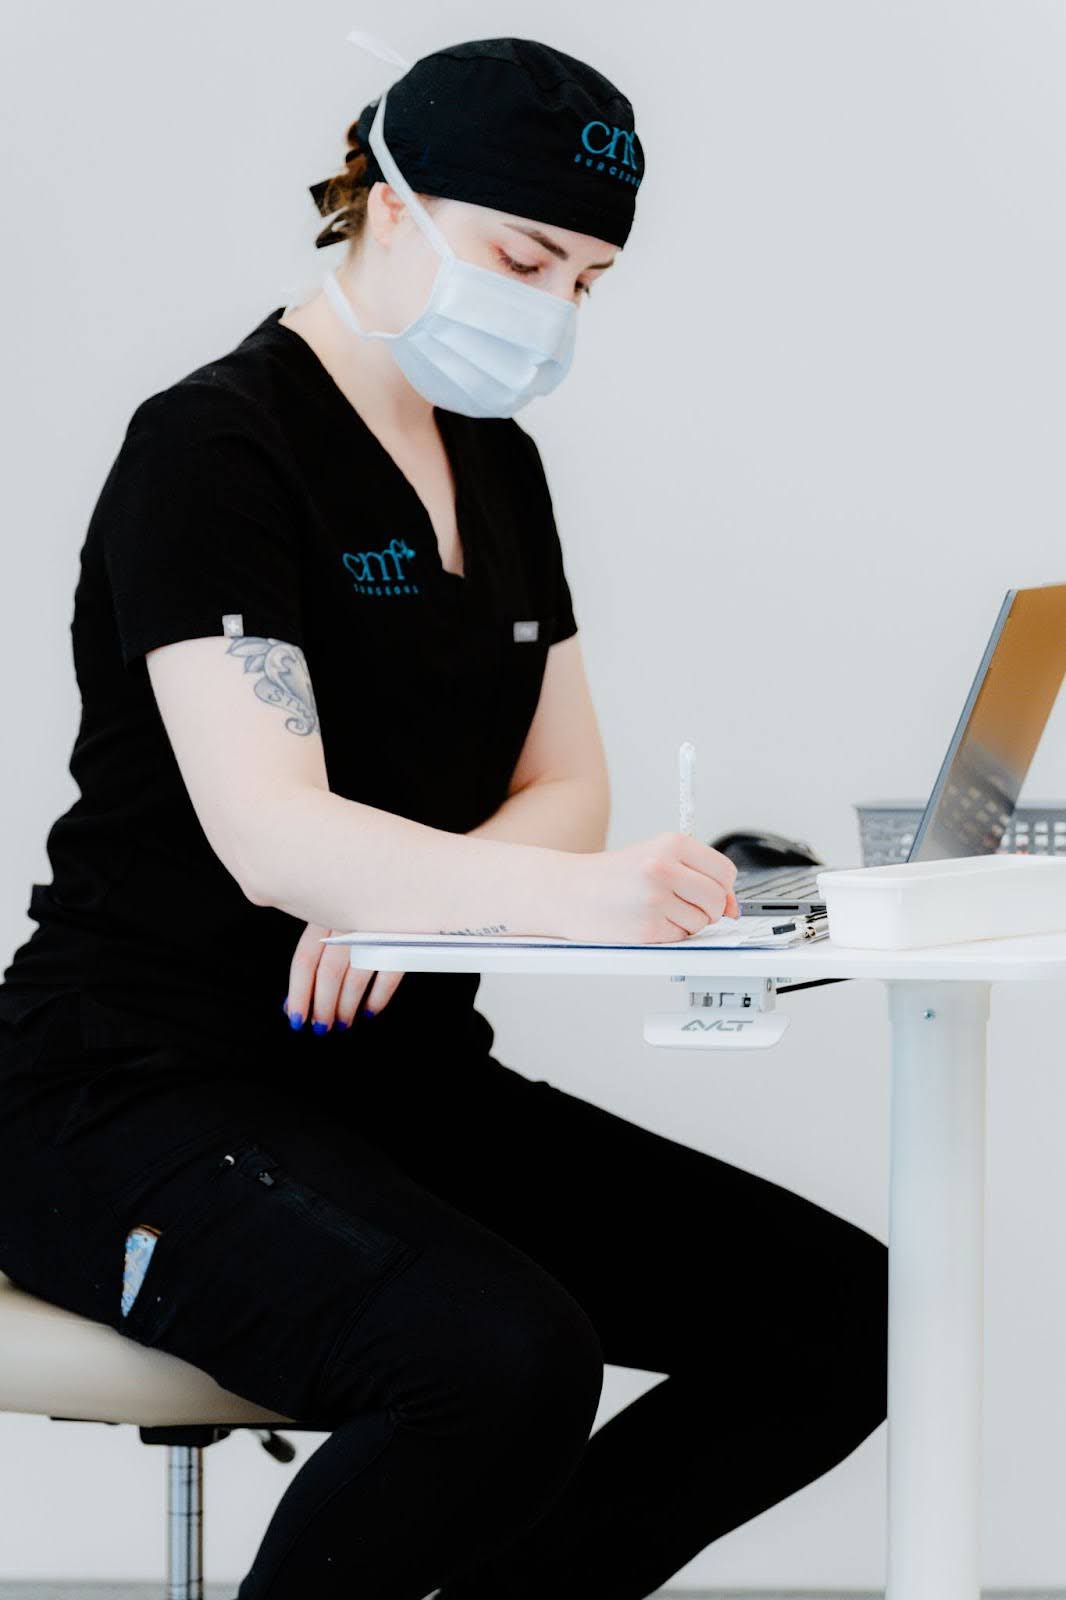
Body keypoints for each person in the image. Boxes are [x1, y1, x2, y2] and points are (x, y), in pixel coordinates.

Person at [0, 34, 887, 1600]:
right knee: (494, 1360)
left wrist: (415, 901)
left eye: (586, 281)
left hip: (381, 1072)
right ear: (385, 201)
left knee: (843, 1318)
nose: (546, 310)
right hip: (127, 1086)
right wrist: (529, 894)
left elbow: (566, 787)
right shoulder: (213, 448)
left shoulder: (497, 461)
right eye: (524, 255)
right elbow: (273, 835)